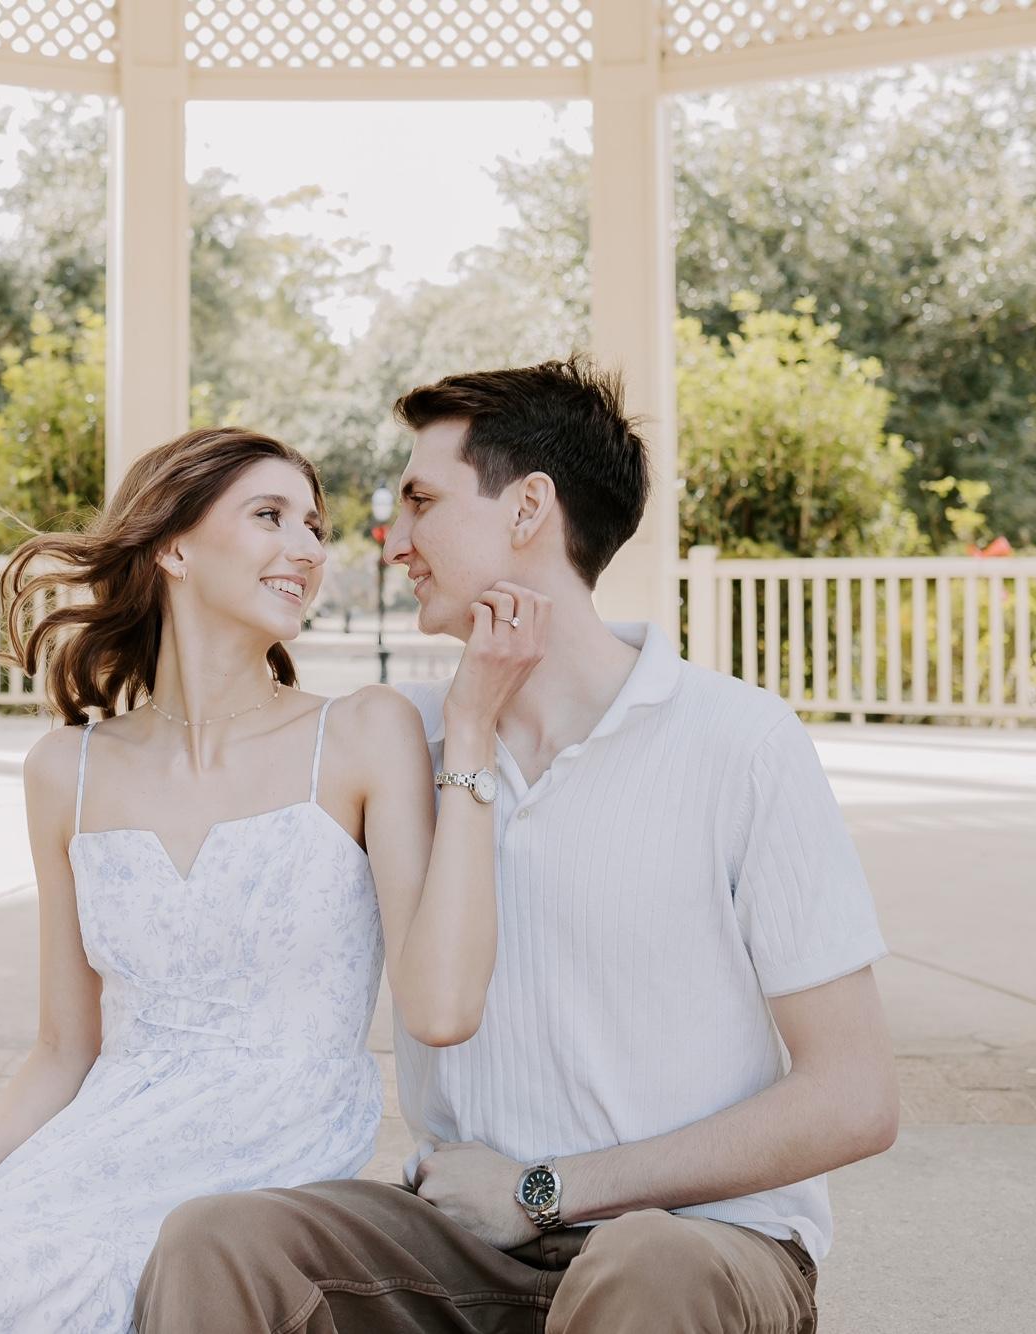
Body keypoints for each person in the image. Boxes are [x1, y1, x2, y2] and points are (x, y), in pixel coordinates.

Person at [0, 427, 548, 1332]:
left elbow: (441, 1009)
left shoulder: (361, 733)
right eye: (270, 516)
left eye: (314, 526)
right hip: (84, 1162)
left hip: (245, 1186)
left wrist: (470, 728)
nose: (308, 549)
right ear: (173, 548)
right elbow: (66, 1047)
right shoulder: (65, 770)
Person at [136, 358, 899, 1334]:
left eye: (420, 502)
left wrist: (546, 1188)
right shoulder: (400, 739)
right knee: (216, 1239)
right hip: (459, 1244)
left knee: (647, 1260)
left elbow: (853, 1095)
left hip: (698, 1241)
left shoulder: (738, 741)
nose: (392, 540)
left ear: (528, 507)